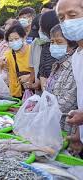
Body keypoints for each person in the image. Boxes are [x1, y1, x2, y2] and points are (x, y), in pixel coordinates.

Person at [46, 24, 79, 155]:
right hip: (54, 125)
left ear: (71, 44)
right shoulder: (58, 64)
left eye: (59, 42)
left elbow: (67, 101)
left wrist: (44, 111)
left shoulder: (74, 64)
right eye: (52, 42)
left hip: (68, 128)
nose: (54, 46)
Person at [57, 0, 83, 148]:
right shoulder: (77, 55)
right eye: (61, 18)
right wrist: (79, 136)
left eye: (72, 15)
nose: (66, 22)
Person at [4, 24, 33, 98]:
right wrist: (1, 64)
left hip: (33, 92)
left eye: (16, 39)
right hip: (16, 94)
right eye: (10, 40)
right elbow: (3, 65)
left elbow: (42, 72)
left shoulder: (32, 51)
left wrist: (29, 77)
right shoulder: (8, 54)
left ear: (23, 37)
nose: (14, 42)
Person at [37, 10, 60, 91]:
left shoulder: (73, 46)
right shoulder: (46, 47)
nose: (39, 30)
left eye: (41, 26)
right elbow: (42, 73)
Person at [28, 14, 43, 92]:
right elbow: (32, 67)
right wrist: (30, 83)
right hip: (38, 92)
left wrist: (41, 82)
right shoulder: (35, 43)